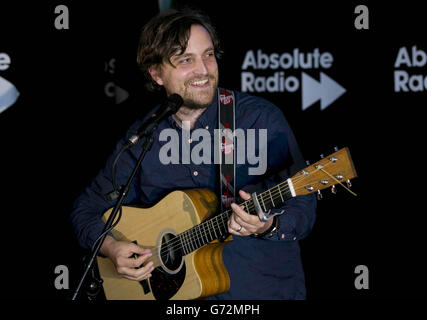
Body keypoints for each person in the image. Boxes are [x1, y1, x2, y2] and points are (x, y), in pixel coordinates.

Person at [70, 8, 316, 300]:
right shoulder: (145, 135)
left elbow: (303, 200)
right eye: (186, 60)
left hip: (259, 292)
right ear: (156, 73)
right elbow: (86, 209)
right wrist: (111, 248)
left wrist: (269, 224)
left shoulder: (259, 119)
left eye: (208, 55)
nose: (203, 70)